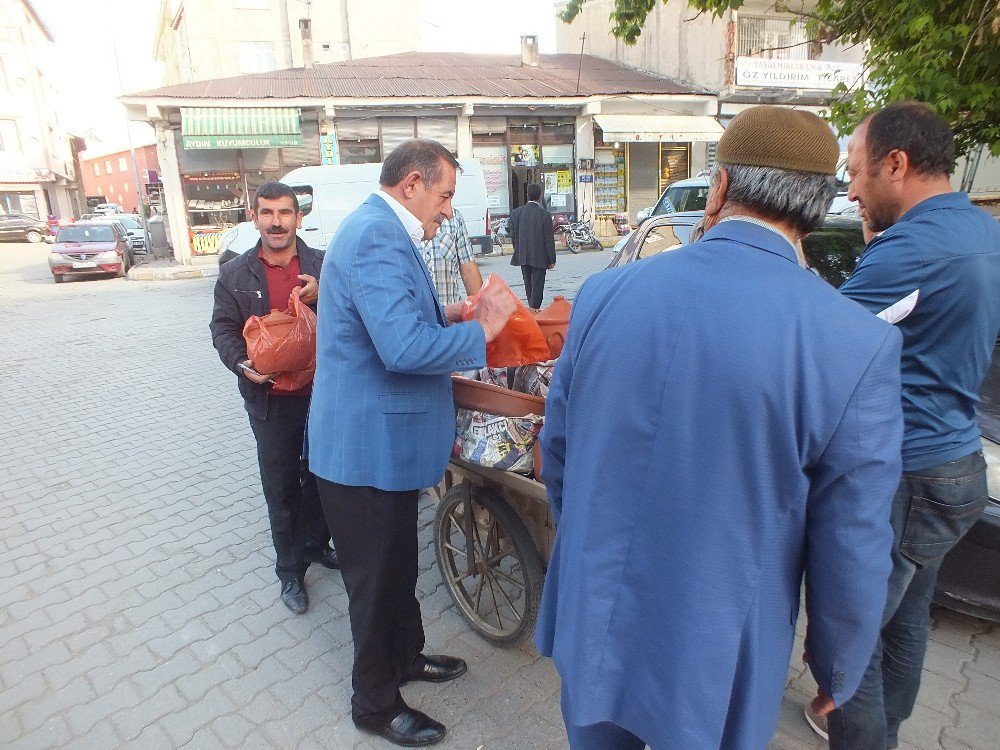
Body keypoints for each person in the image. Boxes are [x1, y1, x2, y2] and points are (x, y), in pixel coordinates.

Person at [535, 105, 905, 749]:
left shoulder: (604, 293)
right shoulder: (854, 343)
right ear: (816, 209)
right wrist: (837, 667)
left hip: (597, 609)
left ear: (720, 187)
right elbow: (852, 543)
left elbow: (559, 454)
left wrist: (591, 550)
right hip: (720, 645)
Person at [307, 139, 516, 747]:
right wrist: (481, 331)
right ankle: (373, 703)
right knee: (373, 585)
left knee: (397, 564)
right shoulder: (375, 234)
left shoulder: (385, 229)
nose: (448, 211)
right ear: (413, 183)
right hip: (363, 450)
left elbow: (393, 317)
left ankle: (405, 659)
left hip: (384, 448)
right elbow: (399, 349)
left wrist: (449, 311)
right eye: (445, 196)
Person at [811, 102, 1000, 750]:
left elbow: (822, 344)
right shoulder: (980, 229)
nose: (852, 188)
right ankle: (888, 730)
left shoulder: (915, 249)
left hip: (909, 476)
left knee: (848, 638)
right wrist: (873, 244)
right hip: (957, 463)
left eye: (857, 172)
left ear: (897, 163)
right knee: (907, 615)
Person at [209, 181, 338, 616]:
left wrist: (326, 294)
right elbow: (222, 330)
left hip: (323, 395)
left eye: (285, 212)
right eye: (267, 213)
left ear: (299, 218)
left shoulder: (324, 264)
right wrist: (243, 363)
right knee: (281, 486)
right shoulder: (235, 275)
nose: (277, 221)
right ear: (254, 217)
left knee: (324, 476)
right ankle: (290, 570)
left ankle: (317, 544)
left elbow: (354, 313)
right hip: (271, 401)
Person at [421, 207, 483, 305]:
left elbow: (469, 271)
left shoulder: (454, 218)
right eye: (445, 196)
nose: (448, 211)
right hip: (414, 316)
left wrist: (480, 310)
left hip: (449, 314)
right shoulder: (399, 219)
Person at [509, 182, 556, 309]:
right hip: (540, 256)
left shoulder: (516, 213)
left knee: (528, 284)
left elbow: (513, 236)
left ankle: (531, 307)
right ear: (540, 196)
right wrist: (551, 259)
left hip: (523, 255)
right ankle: (534, 309)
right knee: (538, 285)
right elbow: (549, 239)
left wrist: (518, 250)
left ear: (527, 195)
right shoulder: (544, 215)